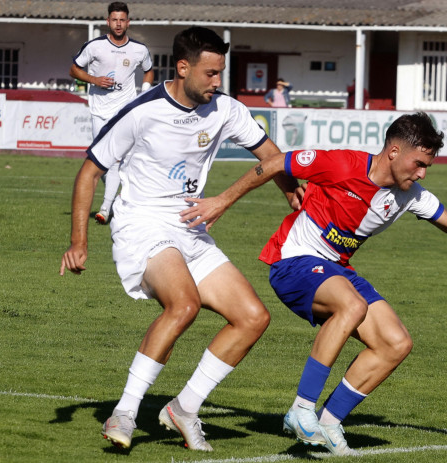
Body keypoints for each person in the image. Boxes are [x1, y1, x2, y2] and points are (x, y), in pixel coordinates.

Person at [185, 112, 447, 456]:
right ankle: (302, 410)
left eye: (427, 167)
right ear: (393, 151)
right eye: (418, 163)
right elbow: (275, 163)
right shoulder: (342, 164)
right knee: (352, 305)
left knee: (395, 342)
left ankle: (329, 422)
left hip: (335, 269)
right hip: (293, 262)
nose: (422, 173)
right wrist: (222, 200)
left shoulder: (410, 195)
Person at [60, 26, 300, 452]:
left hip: (189, 224)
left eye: (220, 72)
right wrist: (80, 241)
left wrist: (290, 194)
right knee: (184, 304)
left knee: (252, 317)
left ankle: (183, 408)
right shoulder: (143, 111)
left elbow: (272, 156)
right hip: (141, 224)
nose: (216, 82)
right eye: (209, 73)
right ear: (183, 67)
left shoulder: (225, 109)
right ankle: (126, 412)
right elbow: (89, 171)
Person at [69, 1, 154, 225]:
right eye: (114, 19)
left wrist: (142, 94)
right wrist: (94, 79)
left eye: (122, 20)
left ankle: (105, 209)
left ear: (128, 22)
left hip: (124, 110)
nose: (118, 24)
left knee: (115, 160)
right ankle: (120, 200)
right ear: (108, 21)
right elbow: (74, 69)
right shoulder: (94, 46)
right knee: (103, 162)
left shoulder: (139, 50)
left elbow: (148, 71)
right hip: (99, 110)